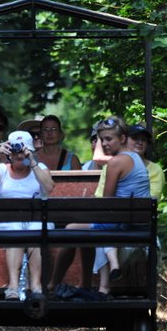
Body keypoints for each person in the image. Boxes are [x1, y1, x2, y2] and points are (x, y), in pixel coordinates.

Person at [52, 117, 150, 299]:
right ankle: (86, 284)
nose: (104, 144)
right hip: (136, 222)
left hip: (122, 224)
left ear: (122, 138)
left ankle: (53, 284)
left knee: (70, 229)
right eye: (101, 139)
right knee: (85, 230)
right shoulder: (135, 157)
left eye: (108, 139)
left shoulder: (116, 163)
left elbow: (106, 202)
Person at [0, 131, 55, 302]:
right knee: (14, 229)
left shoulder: (40, 168)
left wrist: (32, 162)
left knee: (37, 229)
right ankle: (13, 286)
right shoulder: (1, 170)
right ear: (8, 152)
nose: (19, 155)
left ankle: (36, 285)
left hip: (35, 221)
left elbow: (49, 187)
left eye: (23, 151)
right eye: (15, 151)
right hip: (7, 222)